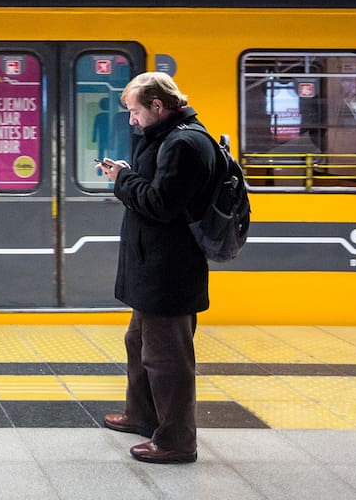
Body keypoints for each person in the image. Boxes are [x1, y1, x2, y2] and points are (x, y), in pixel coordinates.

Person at [96, 71, 216, 465]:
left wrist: (122, 178)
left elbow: (162, 204)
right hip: (154, 266)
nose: (131, 119)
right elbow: (160, 190)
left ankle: (177, 441)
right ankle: (142, 415)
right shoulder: (169, 138)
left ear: (157, 107)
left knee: (167, 359)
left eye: (134, 111)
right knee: (139, 344)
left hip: (169, 269)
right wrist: (131, 174)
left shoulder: (184, 143)